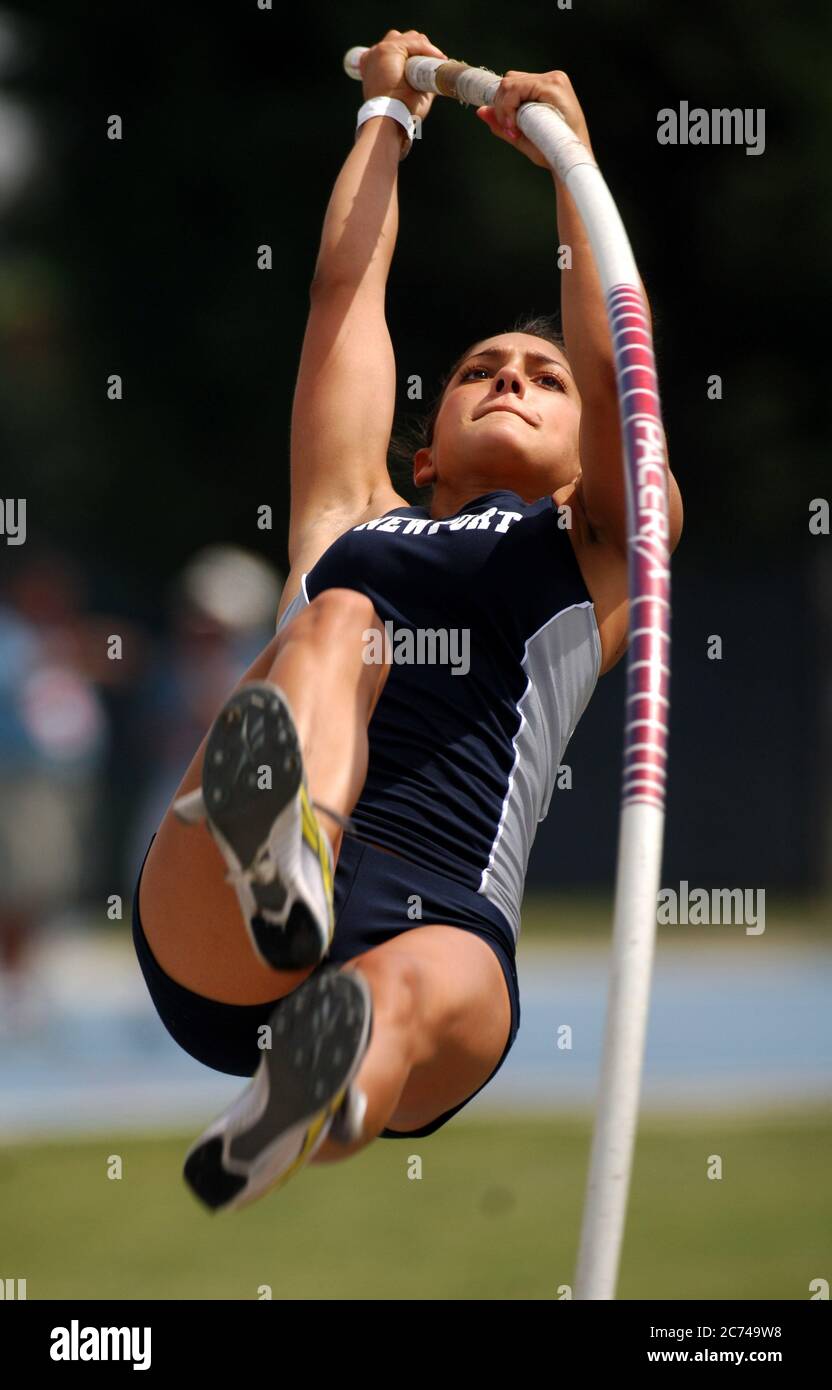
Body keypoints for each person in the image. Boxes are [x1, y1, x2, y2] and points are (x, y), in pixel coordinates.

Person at [131, 30, 684, 1213]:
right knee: (340, 623)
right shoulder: (349, 520)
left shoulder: (599, 551)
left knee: (412, 989)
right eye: (483, 368)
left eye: (543, 380)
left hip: (439, 917)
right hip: (225, 915)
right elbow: (344, 299)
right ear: (421, 448)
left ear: (586, 447)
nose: (510, 379)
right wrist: (387, 115)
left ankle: (320, 1094)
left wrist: (571, 173)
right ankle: (285, 843)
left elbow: (613, 358)